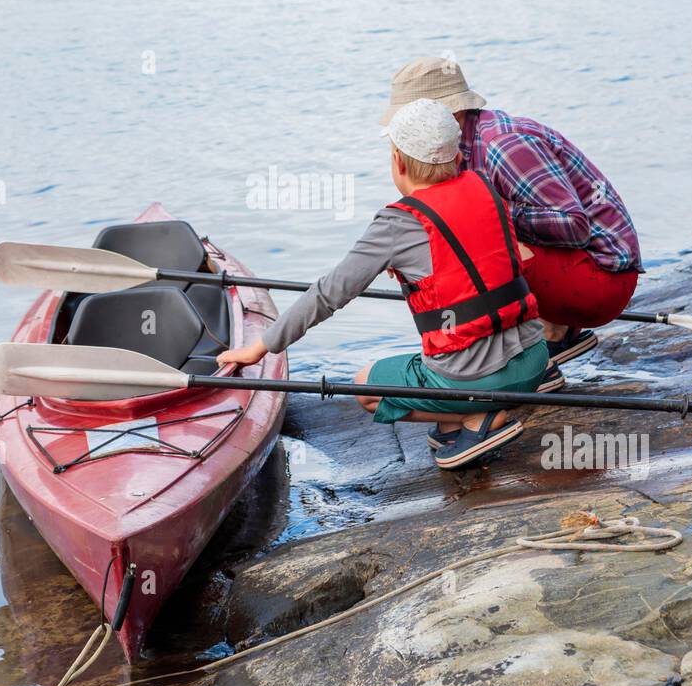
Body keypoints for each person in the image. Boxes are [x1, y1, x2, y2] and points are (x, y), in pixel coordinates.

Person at [217, 98, 549, 471]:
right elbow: (499, 262)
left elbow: (329, 294)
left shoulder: (396, 224)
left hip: (476, 378)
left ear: (399, 161)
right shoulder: (484, 187)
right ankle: (459, 419)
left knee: (367, 388)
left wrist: (260, 347)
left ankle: (478, 418)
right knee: (449, 391)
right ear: (457, 158)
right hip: (535, 361)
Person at [379, 57, 642, 367]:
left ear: (452, 113)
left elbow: (573, 225)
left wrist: (490, 217)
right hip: (571, 269)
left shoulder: (502, 145)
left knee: (472, 246)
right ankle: (550, 332)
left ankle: (509, 362)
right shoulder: (454, 149)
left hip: (605, 278)